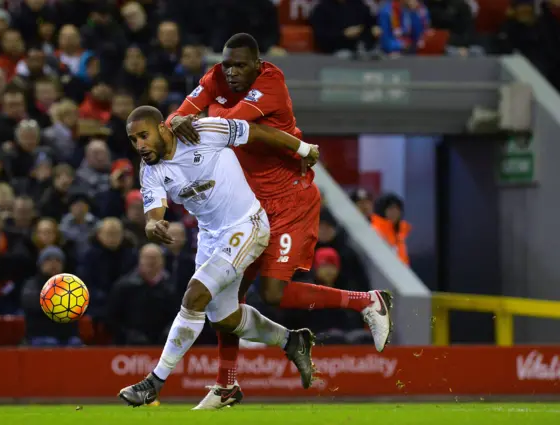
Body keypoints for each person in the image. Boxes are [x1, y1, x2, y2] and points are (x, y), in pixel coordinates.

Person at [167, 33, 393, 408]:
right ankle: (226, 384)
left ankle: (367, 302)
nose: (233, 72)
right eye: (228, 65)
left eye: (241, 65)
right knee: (226, 301)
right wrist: (178, 121)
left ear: (257, 64)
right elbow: (179, 116)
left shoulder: (271, 83)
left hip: (289, 199)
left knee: (273, 292)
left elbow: (231, 128)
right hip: (249, 204)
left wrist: (192, 121)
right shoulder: (215, 78)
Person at [118, 106, 320, 407]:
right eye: (133, 140)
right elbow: (154, 211)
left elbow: (258, 132)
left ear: (162, 128)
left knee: (194, 296)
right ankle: (292, 341)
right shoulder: (150, 169)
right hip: (211, 237)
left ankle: (154, 383)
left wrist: (302, 148)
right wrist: (152, 224)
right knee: (224, 319)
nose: (140, 146)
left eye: (143, 136)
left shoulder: (203, 132)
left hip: (246, 225)